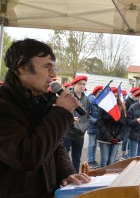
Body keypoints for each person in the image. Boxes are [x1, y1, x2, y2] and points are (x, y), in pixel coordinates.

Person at [0, 39, 90, 197]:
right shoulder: (4, 106)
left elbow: (55, 145)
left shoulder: (41, 101)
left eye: (54, 68)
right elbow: (26, 156)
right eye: (47, 67)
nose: (53, 74)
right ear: (22, 67)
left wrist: (65, 173)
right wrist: (61, 113)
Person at [63, 75, 90, 173]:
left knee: (76, 159)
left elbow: (88, 116)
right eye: (79, 84)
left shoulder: (86, 99)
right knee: (64, 158)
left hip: (80, 134)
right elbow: (61, 112)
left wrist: (85, 127)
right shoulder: (67, 96)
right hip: (67, 133)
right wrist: (70, 119)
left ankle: (75, 175)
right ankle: (65, 176)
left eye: (84, 84)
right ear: (74, 85)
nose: (82, 86)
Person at [97, 87, 126, 167]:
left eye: (116, 96)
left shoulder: (121, 109)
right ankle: (101, 177)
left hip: (116, 138)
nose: (115, 98)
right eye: (113, 96)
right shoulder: (103, 107)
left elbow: (124, 124)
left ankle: (108, 177)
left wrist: (119, 137)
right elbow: (100, 122)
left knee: (112, 160)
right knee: (104, 159)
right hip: (104, 138)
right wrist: (109, 138)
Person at [86, 85, 103, 168]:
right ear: (96, 92)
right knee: (91, 144)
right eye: (100, 92)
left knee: (95, 144)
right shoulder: (90, 101)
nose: (101, 93)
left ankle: (93, 160)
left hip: (98, 126)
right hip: (92, 126)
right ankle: (89, 161)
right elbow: (86, 115)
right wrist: (95, 121)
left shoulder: (100, 101)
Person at [121, 87, 140, 159]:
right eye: (136, 93)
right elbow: (125, 112)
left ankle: (129, 152)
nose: (137, 94)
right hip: (127, 122)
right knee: (125, 138)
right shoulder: (127, 100)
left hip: (133, 122)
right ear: (133, 93)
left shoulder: (136, 101)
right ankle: (123, 153)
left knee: (130, 139)